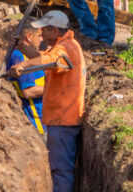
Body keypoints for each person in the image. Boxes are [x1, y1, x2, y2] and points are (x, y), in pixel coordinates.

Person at [7, 11, 85, 192]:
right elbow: (46, 57)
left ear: (55, 30)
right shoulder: (67, 45)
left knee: (60, 171)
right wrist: (23, 48)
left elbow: (50, 59)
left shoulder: (64, 49)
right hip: (64, 118)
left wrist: (22, 65)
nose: (42, 36)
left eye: (45, 32)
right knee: (61, 169)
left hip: (63, 119)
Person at [6, 23, 46, 135]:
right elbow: (28, 91)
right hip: (39, 123)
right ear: (29, 36)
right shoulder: (20, 57)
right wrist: (57, 88)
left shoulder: (30, 55)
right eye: (39, 35)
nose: (42, 39)